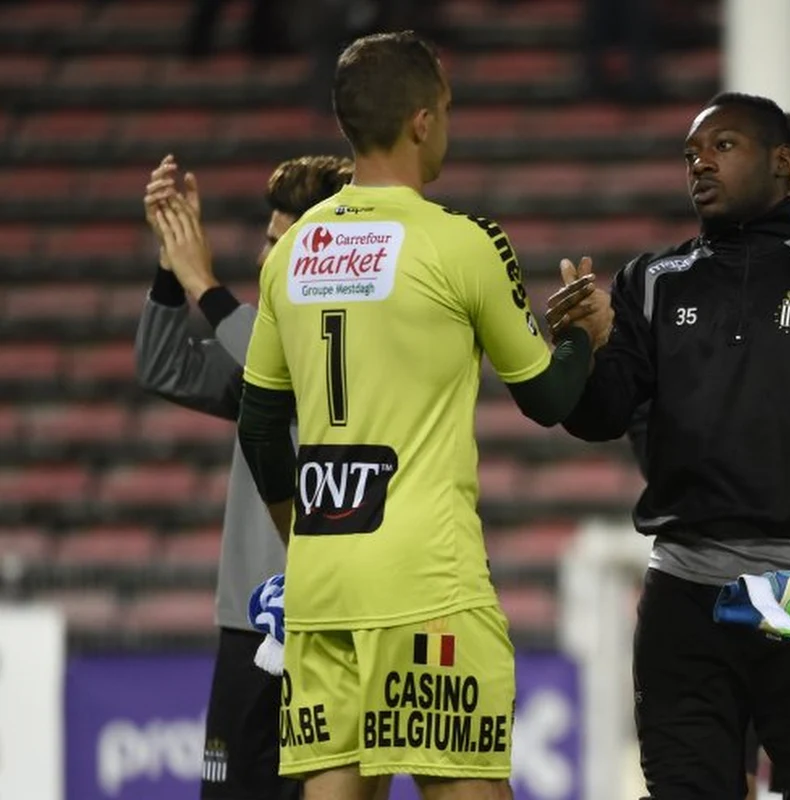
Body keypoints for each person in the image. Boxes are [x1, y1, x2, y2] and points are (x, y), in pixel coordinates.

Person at [235, 31, 609, 800]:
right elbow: (546, 399)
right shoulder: (462, 243)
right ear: (420, 121)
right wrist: (581, 342)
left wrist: (302, 540)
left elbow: (261, 429)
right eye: (446, 106)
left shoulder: (290, 251)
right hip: (425, 580)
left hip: (322, 583)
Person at [549, 93, 790, 800]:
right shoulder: (651, 280)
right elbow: (601, 415)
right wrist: (582, 346)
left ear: (782, 163)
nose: (700, 160)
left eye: (723, 146)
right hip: (686, 599)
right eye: (690, 153)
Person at [134, 152, 352, 800]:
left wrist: (204, 282)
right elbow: (163, 366)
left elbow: (288, 359)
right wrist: (173, 271)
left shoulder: (338, 347)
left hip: (325, 627)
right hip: (246, 622)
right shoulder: (256, 346)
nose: (264, 259)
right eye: (266, 240)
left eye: (282, 245)